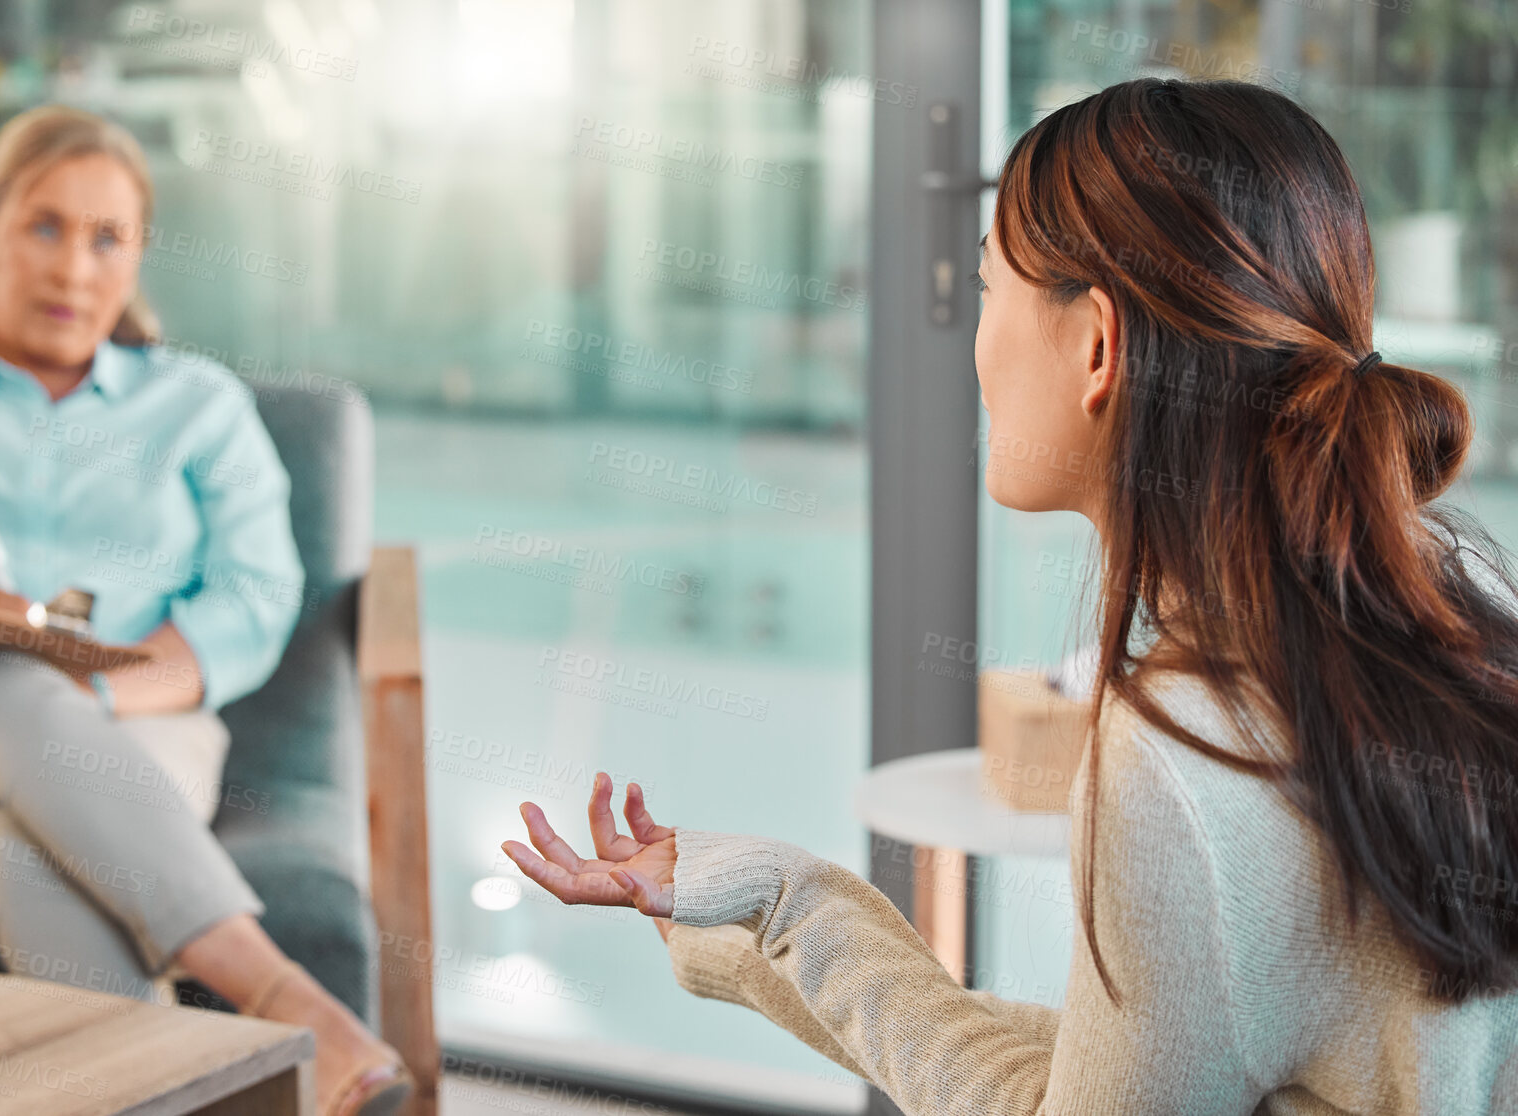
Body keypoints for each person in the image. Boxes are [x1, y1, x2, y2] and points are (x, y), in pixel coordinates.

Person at [502, 78, 1518, 1113]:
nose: (974, 348)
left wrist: (789, 910)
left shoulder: (1183, 748)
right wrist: (769, 908)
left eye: (990, 291)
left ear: (1096, 348)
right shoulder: (1460, 596)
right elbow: (1145, 1073)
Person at [0, 105, 413, 1116]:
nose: (74, 269)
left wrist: (90, 694)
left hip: (139, 734)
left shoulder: (198, 408)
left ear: (138, 255)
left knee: (32, 853)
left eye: (107, 238)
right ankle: (282, 995)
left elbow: (254, 591)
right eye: (45, 227)